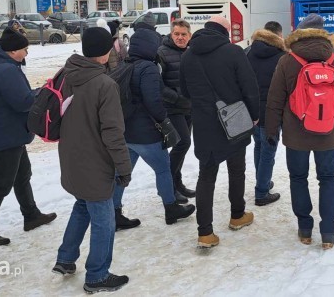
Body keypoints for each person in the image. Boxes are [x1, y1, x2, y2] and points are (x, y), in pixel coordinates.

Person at [265, 14, 334, 250]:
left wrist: (272, 130)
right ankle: (328, 233)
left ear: (299, 33)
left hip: (296, 135)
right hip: (328, 132)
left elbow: (275, 99)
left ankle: (305, 229)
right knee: (328, 179)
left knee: (298, 179)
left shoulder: (288, 60)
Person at [53, 27, 132, 293]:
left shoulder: (67, 73)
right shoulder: (104, 84)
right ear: (106, 51)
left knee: (82, 206)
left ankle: (65, 258)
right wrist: (123, 167)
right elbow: (113, 133)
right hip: (96, 162)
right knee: (104, 219)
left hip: (71, 156)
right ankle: (97, 275)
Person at [0, 28, 56, 248]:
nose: (26, 54)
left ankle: (31, 215)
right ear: (13, 51)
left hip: (8, 133)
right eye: (25, 49)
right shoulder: (5, 70)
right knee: (0, 185)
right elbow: (23, 102)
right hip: (5, 135)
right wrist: (44, 92)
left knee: (22, 176)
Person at [180, 16, 259, 249]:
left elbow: (184, 91)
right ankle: (237, 215)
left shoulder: (187, 55)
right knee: (237, 170)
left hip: (204, 123)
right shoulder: (233, 52)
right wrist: (254, 114)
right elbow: (250, 87)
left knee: (206, 175)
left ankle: (205, 233)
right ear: (225, 30)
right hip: (234, 119)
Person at [111, 27, 195, 229]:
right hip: (146, 133)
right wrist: (163, 119)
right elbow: (153, 100)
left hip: (127, 131)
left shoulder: (125, 65)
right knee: (163, 169)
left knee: (123, 173)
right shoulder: (148, 67)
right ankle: (171, 207)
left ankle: (114, 212)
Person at [246, 21, 286, 206]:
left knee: (259, 146)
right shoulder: (282, 57)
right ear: (278, 35)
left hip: (251, 110)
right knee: (268, 150)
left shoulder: (248, 52)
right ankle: (262, 192)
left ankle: (262, 181)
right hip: (272, 111)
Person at [157, 19, 196, 203]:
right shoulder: (162, 53)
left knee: (183, 145)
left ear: (189, 36)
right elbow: (158, 84)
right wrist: (176, 97)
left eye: (183, 34)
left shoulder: (192, 52)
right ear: (171, 34)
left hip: (189, 107)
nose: (180, 38)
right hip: (172, 107)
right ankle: (169, 186)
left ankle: (177, 183)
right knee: (182, 143)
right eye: (176, 34)